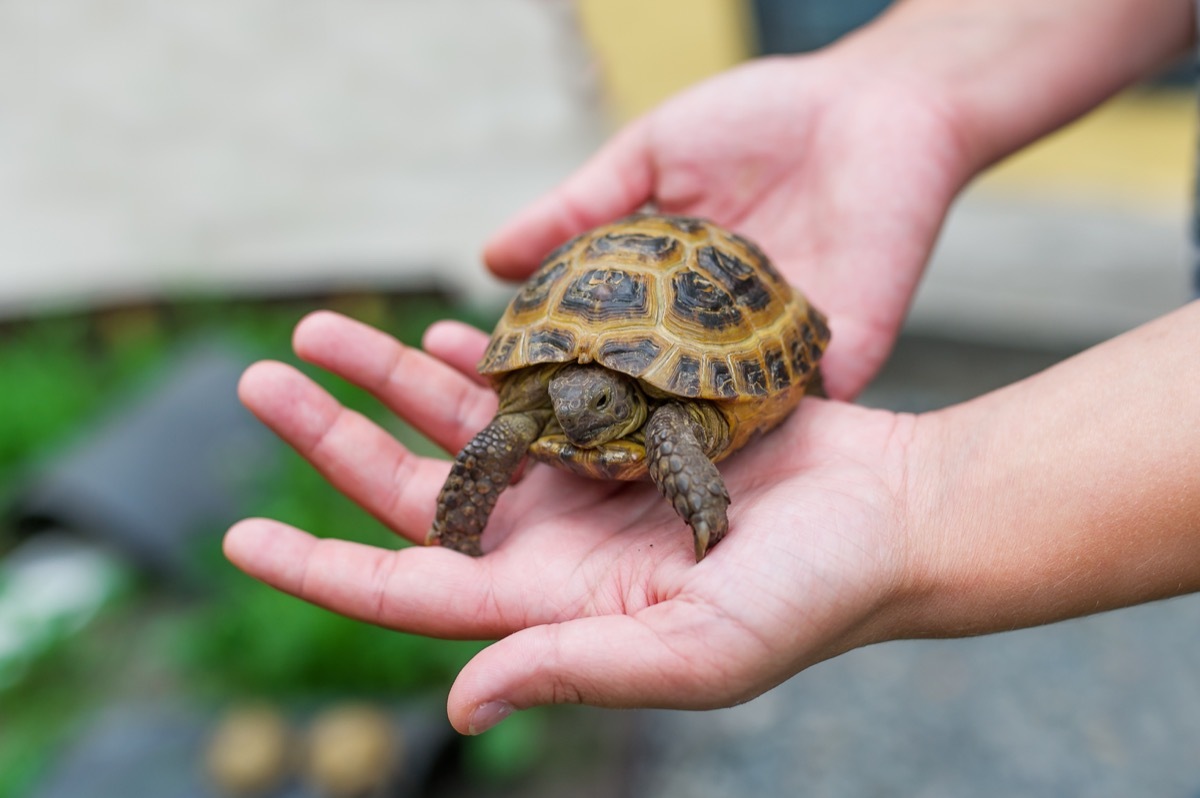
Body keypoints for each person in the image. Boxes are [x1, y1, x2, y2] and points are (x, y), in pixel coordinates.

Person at [223, 0, 1200, 735]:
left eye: (597, 403)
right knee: (511, 435)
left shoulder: (665, 417)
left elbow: (669, 438)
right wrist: (896, 90)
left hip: (712, 321)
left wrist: (883, 508)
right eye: (563, 398)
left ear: (623, 397)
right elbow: (505, 433)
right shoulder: (543, 403)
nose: (571, 411)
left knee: (665, 438)